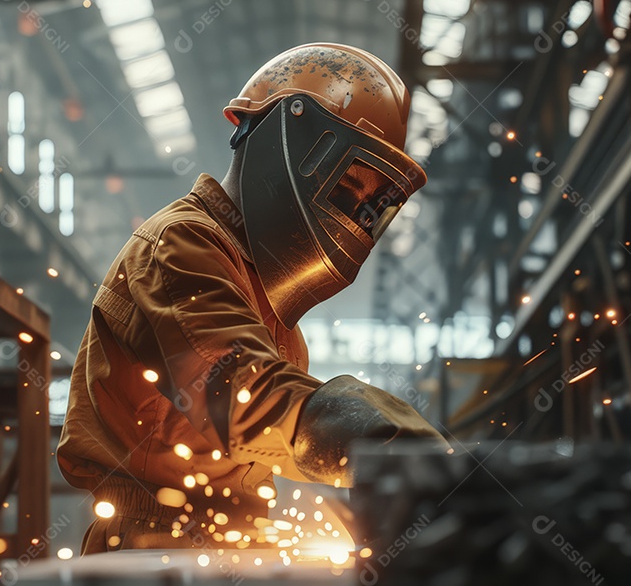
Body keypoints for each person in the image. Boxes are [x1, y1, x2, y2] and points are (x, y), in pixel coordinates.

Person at [57, 42, 444, 554]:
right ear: (286, 138)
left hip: (227, 545)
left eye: (363, 202)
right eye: (346, 185)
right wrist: (380, 442)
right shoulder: (181, 245)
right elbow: (243, 394)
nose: (349, 210)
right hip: (152, 548)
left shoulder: (265, 300)